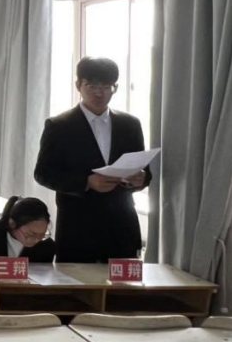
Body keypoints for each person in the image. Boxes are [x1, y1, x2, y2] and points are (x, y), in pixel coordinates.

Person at [34, 56, 150, 263]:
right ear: (78, 85)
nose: (99, 93)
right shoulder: (59, 125)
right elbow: (43, 173)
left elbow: (144, 169)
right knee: (76, 282)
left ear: (115, 88)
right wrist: (86, 182)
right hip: (78, 227)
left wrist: (141, 179)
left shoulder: (130, 124)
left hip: (121, 225)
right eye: (92, 86)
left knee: (124, 283)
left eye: (106, 87)